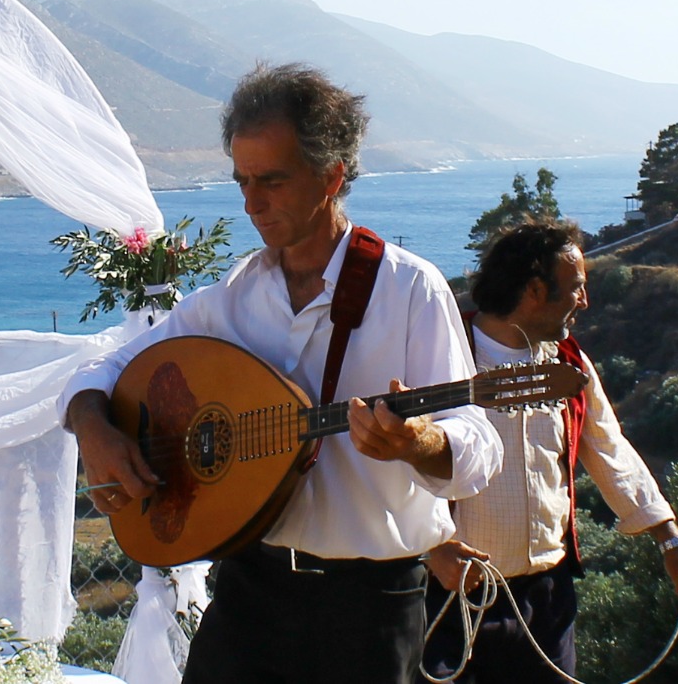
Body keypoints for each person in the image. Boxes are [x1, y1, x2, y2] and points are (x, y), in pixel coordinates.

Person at [65, 63, 502, 684]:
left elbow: (478, 445)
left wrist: (420, 443)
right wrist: (93, 427)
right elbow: (105, 366)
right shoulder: (229, 303)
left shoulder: (407, 289)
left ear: (332, 177)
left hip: (371, 607)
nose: (251, 203)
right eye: (242, 181)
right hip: (250, 592)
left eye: (272, 180)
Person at [420, 217, 678, 682]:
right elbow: (392, 465)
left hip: (547, 600)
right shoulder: (441, 358)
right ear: (535, 290)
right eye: (575, 287)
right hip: (452, 599)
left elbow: (611, 451)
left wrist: (671, 540)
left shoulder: (570, 364)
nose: (585, 301)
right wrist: (430, 546)